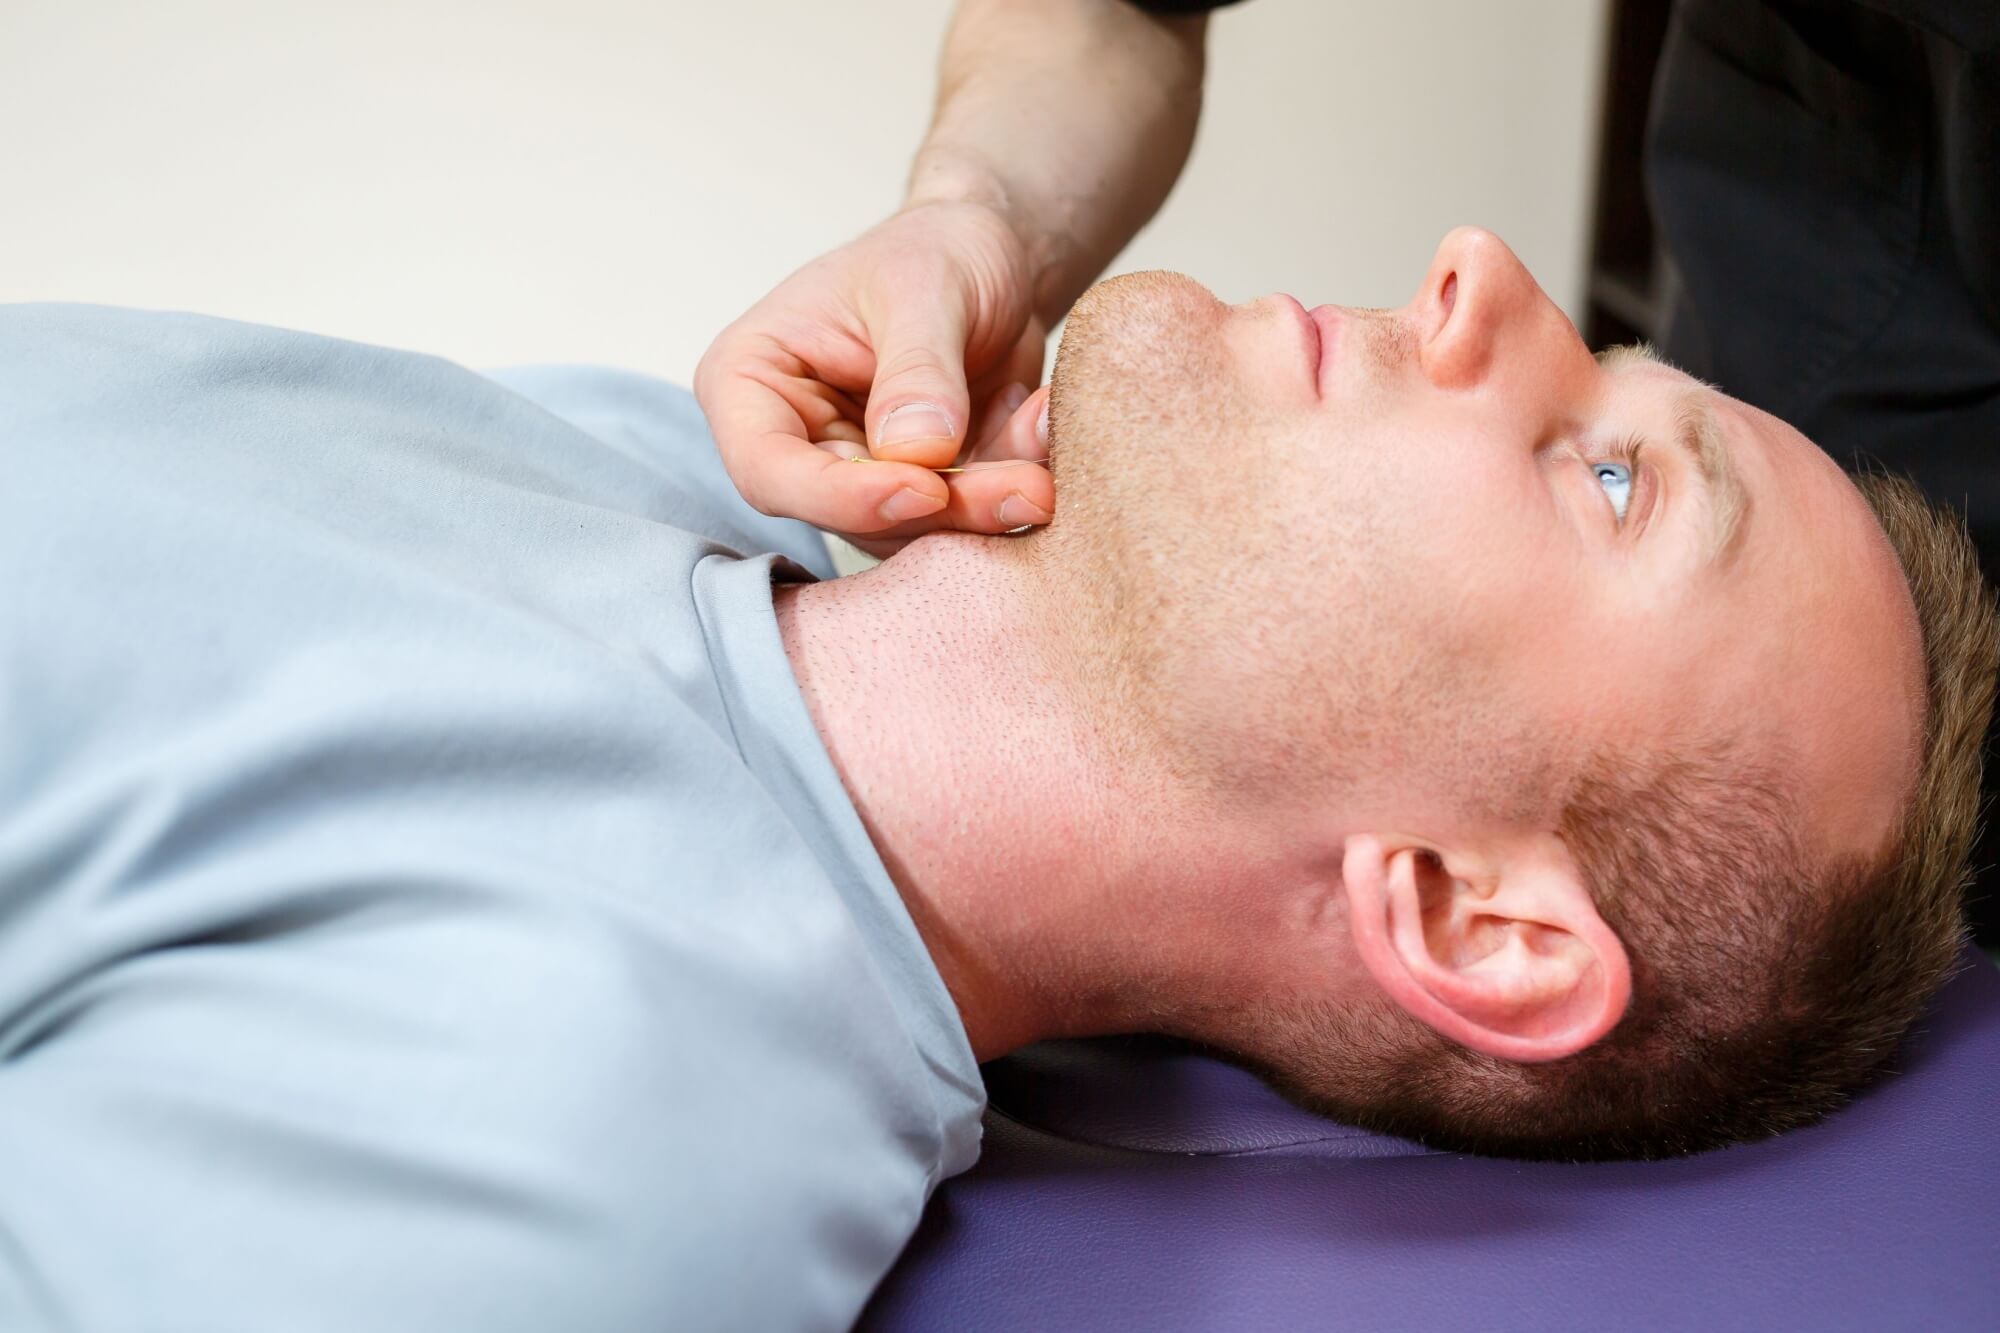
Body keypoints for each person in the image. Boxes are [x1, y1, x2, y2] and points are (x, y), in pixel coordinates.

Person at [0, 218, 1992, 1327]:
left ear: (1473, 919)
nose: (1481, 268)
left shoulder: (584, 1112)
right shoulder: (686, 473)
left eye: (1613, 475)